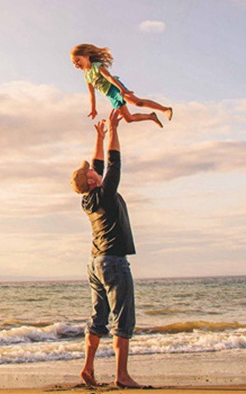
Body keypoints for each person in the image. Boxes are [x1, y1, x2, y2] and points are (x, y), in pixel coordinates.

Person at [70, 110, 150, 389]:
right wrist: (115, 130)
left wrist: (100, 136)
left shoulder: (90, 198)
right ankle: (122, 376)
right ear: (91, 181)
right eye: (91, 171)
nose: (94, 169)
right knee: (123, 319)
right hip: (114, 261)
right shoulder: (104, 192)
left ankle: (88, 368)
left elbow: (100, 165)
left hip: (95, 263)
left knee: (98, 318)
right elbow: (113, 163)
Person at [70, 43, 172, 128]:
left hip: (115, 88)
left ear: (86, 56)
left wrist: (122, 89)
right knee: (129, 119)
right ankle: (151, 117)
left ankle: (165, 109)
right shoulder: (86, 75)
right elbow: (91, 94)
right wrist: (93, 109)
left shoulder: (96, 66)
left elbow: (110, 77)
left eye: (77, 60)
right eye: (74, 63)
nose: (76, 64)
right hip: (110, 95)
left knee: (137, 102)